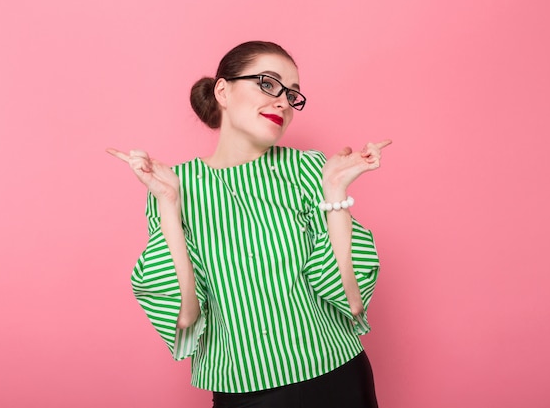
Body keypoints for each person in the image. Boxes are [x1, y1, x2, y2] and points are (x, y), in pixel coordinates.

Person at [107, 40, 391, 408]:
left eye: (292, 95)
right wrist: (169, 207)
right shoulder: (174, 185)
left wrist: (334, 191)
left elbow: (351, 301)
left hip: (338, 375)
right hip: (247, 392)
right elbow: (187, 315)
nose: (283, 102)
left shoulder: (308, 169)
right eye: (268, 84)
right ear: (222, 90)